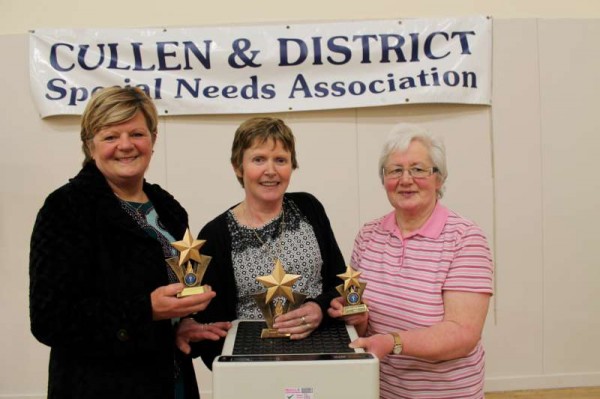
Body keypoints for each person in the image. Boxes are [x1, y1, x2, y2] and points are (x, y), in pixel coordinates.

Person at [29, 87, 228, 399]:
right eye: (110, 137)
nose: (125, 145)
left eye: (136, 133)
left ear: (152, 139)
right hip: (101, 387)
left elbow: (175, 292)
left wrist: (182, 323)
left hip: (171, 382)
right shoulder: (66, 209)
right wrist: (145, 310)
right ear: (89, 145)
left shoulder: (168, 208)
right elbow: (49, 320)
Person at [328, 124, 494, 399]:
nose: (406, 180)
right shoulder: (369, 235)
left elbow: (463, 334)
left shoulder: (465, 238)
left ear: (439, 179)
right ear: (384, 180)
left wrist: (392, 342)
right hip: (378, 390)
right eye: (395, 170)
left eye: (418, 169)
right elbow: (362, 320)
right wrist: (356, 315)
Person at [176, 117, 346, 368]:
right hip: (252, 365)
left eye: (280, 160)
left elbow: (340, 283)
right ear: (238, 166)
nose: (271, 171)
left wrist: (320, 309)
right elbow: (213, 327)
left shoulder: (309, 208)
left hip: (321, 354)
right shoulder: (216, 235)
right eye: (258, 159)